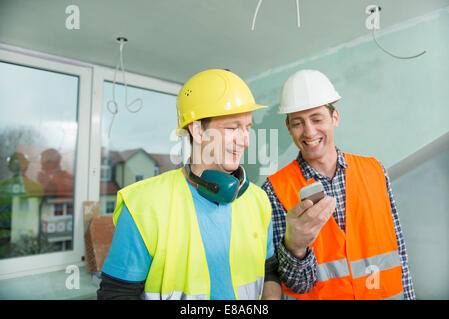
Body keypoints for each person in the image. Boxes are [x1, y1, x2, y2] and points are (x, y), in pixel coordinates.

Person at [97, 69, 281, 300]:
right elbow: (116, 295)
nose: (245, 141)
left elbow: (269, 272)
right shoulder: (144, 204)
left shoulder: (258, 200)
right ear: (197, 130)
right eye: (233, 128)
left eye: (247, 128)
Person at [261, 69, 415, 300]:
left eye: (317, 119)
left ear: (335, 118)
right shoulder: (275, 189)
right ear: (289, 128)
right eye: (298, 123)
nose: (309, 131)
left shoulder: (375, 171)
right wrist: (296, 247)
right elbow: (298, 285)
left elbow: (399, 253)